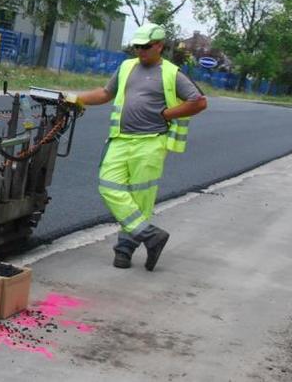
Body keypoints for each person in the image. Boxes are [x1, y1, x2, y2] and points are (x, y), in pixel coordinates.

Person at [70, 23, 207, 272]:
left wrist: (168, 113)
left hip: (151, 142)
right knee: (108, 185)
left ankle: (124, 250)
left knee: (140, 198)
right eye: (137, 46)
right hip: (120, 140)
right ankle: (151, 235)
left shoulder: (172, 73)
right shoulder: (126, 67)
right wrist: (74, 99)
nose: (140, 51)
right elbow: (104, 93)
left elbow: (198, 102)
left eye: (145, 47)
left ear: (159, 46)